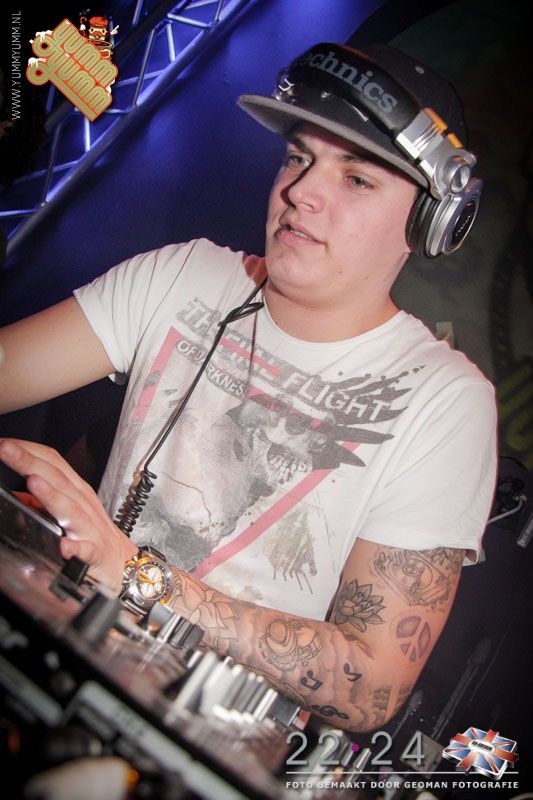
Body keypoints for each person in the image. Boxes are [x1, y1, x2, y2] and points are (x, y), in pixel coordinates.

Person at [0, 41, 498, 734]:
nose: (301, 192)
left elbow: (371, 686)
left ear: (430, 223)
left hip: (203, 744)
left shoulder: (445, 402)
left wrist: (136, 574)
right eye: (298, 158)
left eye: (357, 179)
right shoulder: (183, 274)